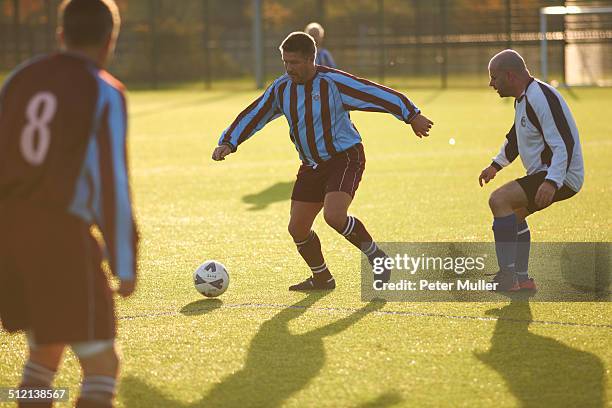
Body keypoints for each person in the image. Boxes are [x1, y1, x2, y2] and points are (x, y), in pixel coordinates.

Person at [212, 32, 433, 291]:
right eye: (285, 62)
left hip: (345, 157)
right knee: (297, 228)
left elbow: (374, 93)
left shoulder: (333, 83)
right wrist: (229, 141)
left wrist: (411, 114)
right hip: (311, 165)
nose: (289, 68)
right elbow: (255, 114)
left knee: (334, 216)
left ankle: (378, 258)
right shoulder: (281, 88)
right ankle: (322, 278)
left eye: (294, 62)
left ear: (310, 59)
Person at [0, 1, 138, 407]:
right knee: (102, 365)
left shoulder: (20, 78)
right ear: (109, 40)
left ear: (60, 35)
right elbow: (113, 184)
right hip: (58, 236)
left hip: (7, 231)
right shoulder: (104, 90)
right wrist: (124, 261)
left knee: (44, 354)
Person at [479, 49, 584, 292]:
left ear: (510, 75)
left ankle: (507, 278)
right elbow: (516, 136)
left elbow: (564, 143)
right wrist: (495, 165)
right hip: (551, 175)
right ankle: (522, 279)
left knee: (499, 200)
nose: (491, 83)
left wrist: (552, 181)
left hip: (561, 175)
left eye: (494, 78)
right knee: (514, 216)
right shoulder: (524, 98)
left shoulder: (541, 96)